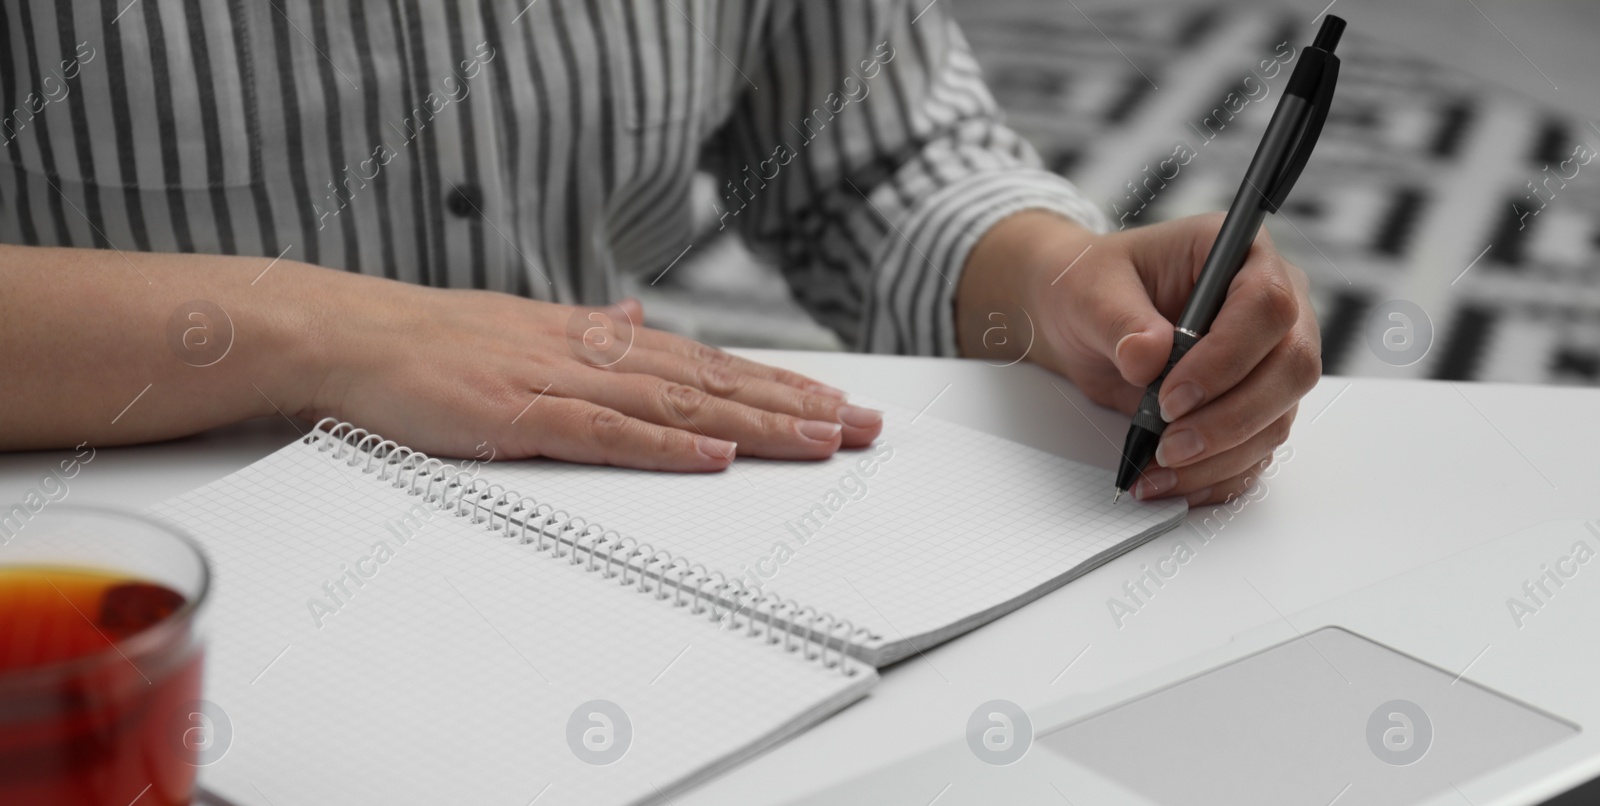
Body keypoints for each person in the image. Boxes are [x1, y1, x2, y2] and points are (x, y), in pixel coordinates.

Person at [0, 1, 1318, 505]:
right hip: (107, 592)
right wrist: (329, 335)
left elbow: (873, 157)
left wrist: (1054, 282)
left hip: (602, 549)